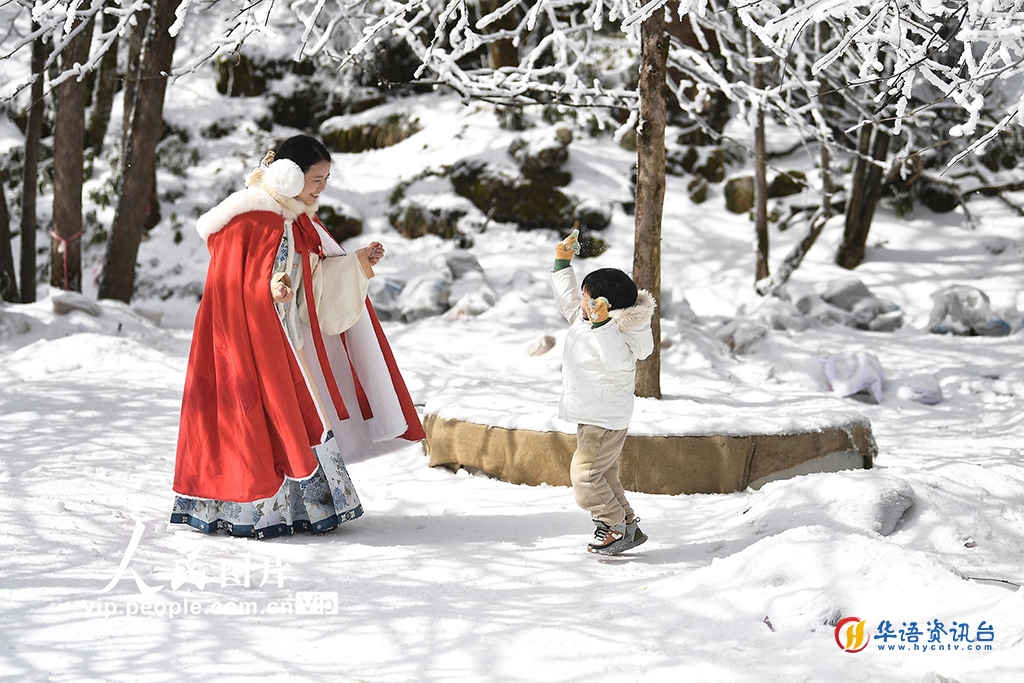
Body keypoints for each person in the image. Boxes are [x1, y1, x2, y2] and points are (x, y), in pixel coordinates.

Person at [171, 135, 425, 539]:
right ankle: (257, 509)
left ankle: (302, 507)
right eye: (315, 178)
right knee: (266, 414)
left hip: (287, 335)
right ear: (289, 174)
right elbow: (232, 286)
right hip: (253, 337)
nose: (320, 188)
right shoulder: (251, 218)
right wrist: (267, 291)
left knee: (302, 414)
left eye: (326, 179)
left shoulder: (297, 219)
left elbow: (312, 281)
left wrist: (356, 263)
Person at [550, 229, 655, 555]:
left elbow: (617, 360)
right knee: (604, 474)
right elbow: (569, 299)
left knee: (585, 477)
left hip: (604, 418)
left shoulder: (621, 331)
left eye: (587, 300)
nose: (580, 304)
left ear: (604, 307)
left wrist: (603, 326)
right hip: (593, 414)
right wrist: (562, 264)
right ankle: (628, 526)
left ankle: (612, 525)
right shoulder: (587, 318)